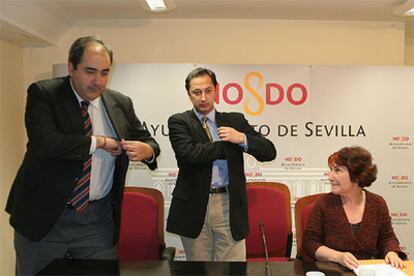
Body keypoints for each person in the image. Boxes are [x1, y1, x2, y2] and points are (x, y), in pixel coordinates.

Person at [5, 35, 160, 275]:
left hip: (96, 221)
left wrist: (147, 150)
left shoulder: (120, 102)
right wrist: (98, 142)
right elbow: (46, 143)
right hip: (44, 217)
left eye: (105, 72)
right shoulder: (45, 94)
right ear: (71, 67)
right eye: (90, 71)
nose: (97, 81)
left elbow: (148, 141)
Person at [166, 67, 276, 261]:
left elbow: (269, 151)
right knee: (199, 272)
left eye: (208, 91)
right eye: (197, 92)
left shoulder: (235, 120)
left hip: (229, 204)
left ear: (216, 89)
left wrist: (241, 138)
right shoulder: (179, 122)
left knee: (232, 270)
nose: (203, 98)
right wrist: (228, 145)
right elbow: (190, 154)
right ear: (188, 94)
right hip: (194, 206)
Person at [303, 146, 407, 270]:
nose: (330, 177)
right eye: (331, 170)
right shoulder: (324, 203)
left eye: (337, 170)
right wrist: (338, 257)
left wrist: (391, 252)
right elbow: (310, 243)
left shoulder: (377, 203)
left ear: (357, 175)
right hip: (331, 270)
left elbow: (387, 238)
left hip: (367, 270)